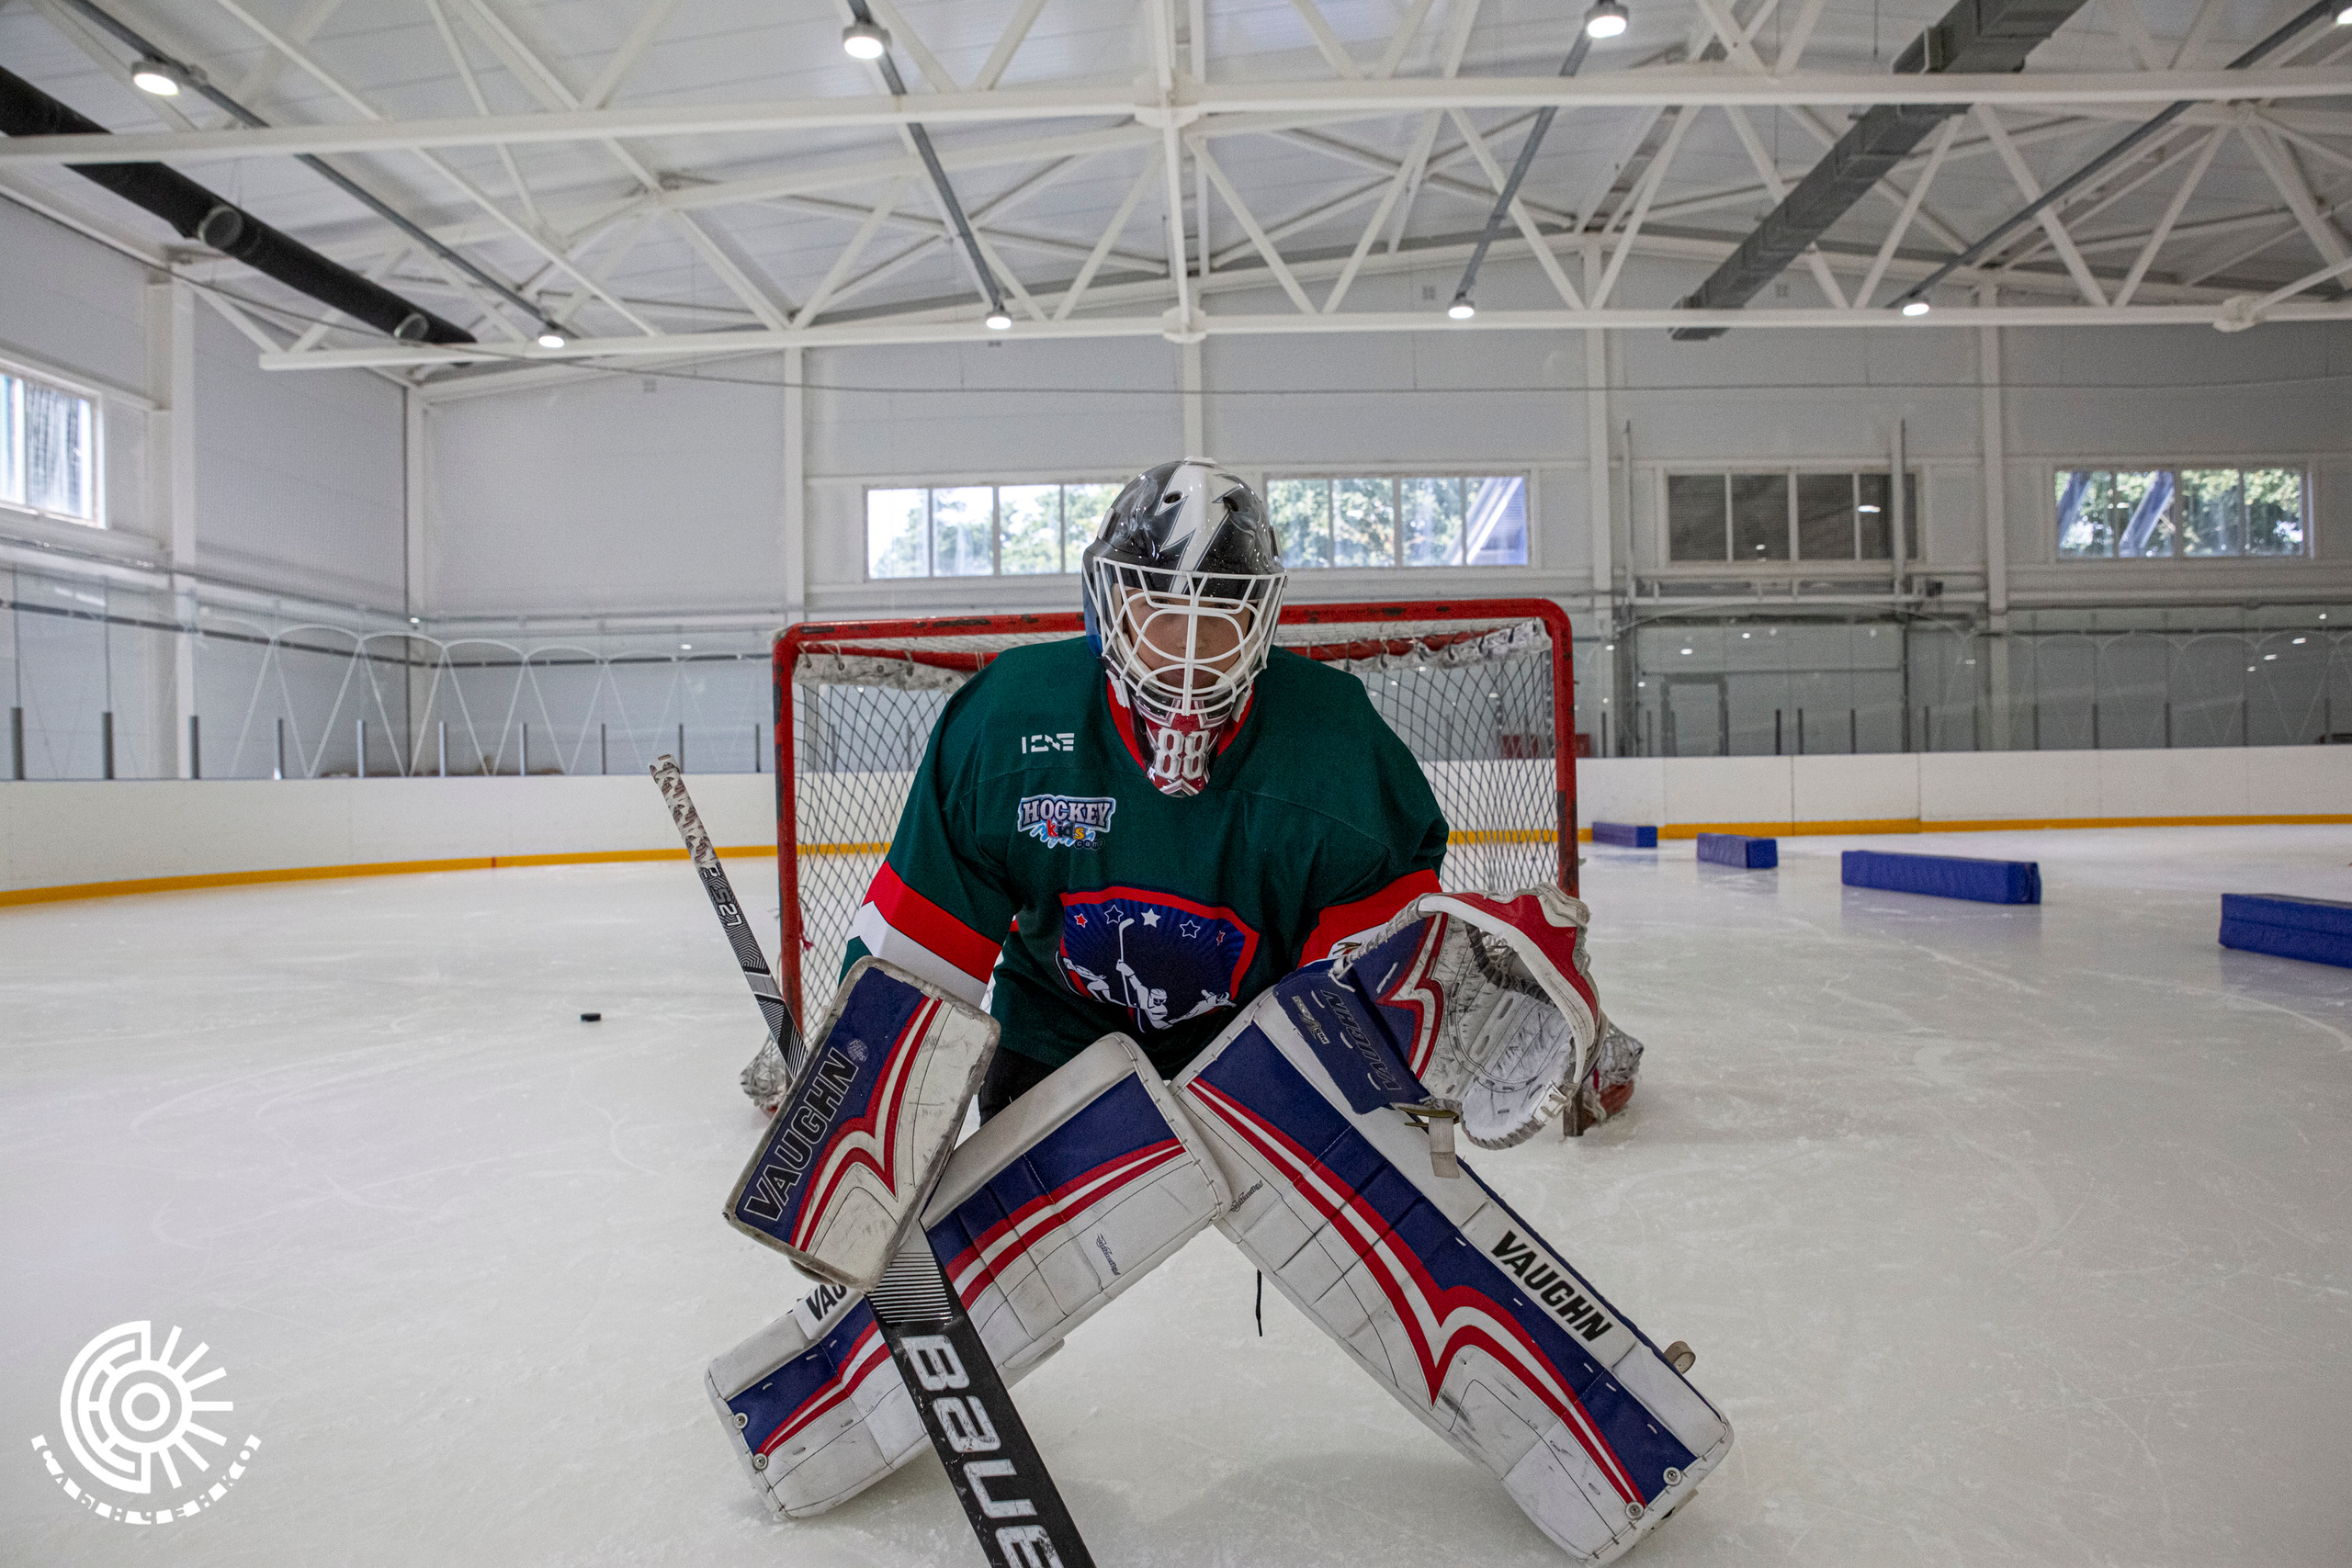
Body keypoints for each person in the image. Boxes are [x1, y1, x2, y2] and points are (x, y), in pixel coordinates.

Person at [828, 457, 1450, 1115]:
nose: (1188, 646)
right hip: (1056, 1047)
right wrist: (861, 1085)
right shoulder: (1010, 718)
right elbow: (922, 944)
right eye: (1158, 606)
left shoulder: (1334, 740)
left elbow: (1365, 980)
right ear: (1111, 604)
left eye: (1220, 610)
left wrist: (1383, 1041)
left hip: (1260, 1057)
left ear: (1259, 619)